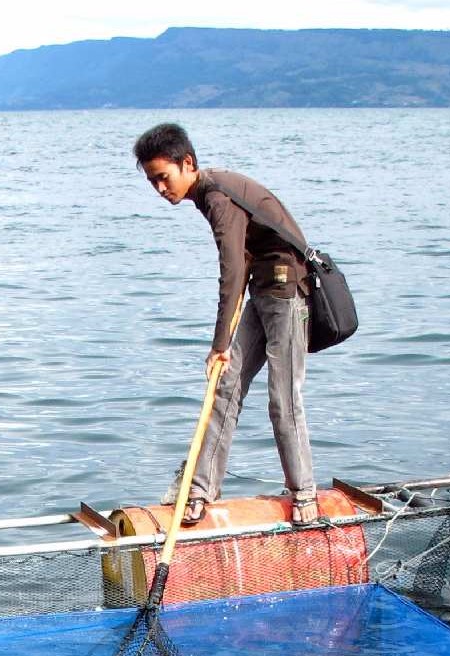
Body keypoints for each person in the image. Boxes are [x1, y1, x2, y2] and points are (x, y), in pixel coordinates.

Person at [133, 122, 319, 527]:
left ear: (188, 163)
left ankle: (304, 493)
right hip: (263, 290)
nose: (161, 189)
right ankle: (200, 489)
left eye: (164, 178)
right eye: (152, 182)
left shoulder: (216, 195)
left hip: (287, 292)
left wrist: (219, 343)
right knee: (225, 386)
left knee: (283, 399)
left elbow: (232, 268)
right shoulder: (206, 192)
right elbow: (244, 262)